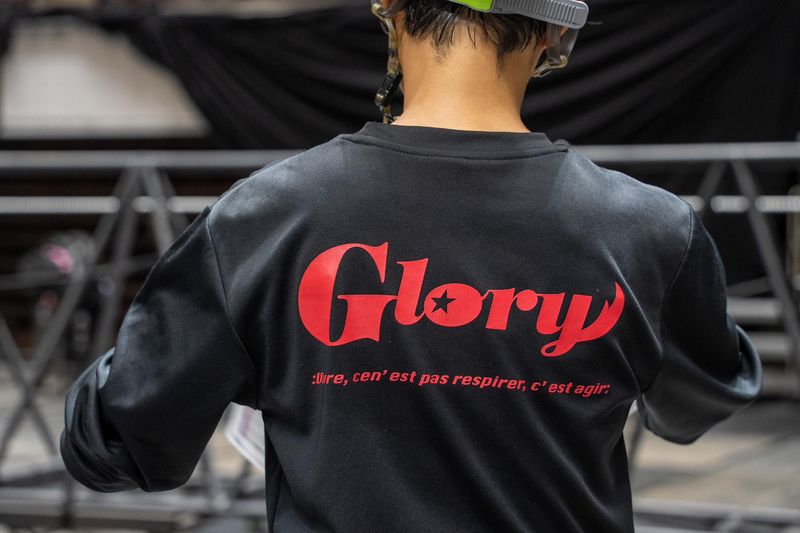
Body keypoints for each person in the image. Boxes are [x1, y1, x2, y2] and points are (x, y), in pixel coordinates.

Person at [60, 0, 763, 531]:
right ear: (555, 31)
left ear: (390, 10)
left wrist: (222, 337)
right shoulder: (650, 232)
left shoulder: (264, 220)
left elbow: (115, 443)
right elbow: (697, 402)